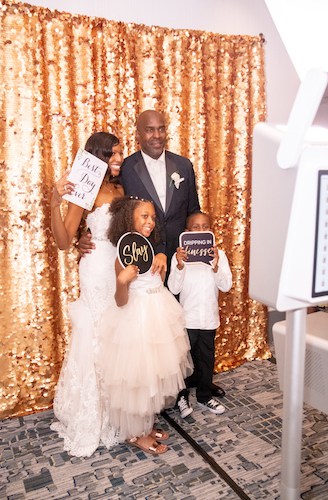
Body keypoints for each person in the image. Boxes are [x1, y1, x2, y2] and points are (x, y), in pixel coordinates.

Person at [77, 110, 225, 397]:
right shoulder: (125, 168)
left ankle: (197, 381)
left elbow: (193, 208)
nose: (156, 135)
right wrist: (82, 238)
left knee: (188, 322)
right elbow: (104, 210)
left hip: (181, 257)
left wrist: (202, 243)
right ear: (139, 134)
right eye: (149, 130)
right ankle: (166, 394)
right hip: (144, 261)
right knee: (152, 331)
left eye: (161, 129)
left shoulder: (184, 164)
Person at [99, 196, 193, 455]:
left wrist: (161, 257)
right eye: (144, 216)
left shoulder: (150, 248)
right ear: (129, 219)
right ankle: (135, 433)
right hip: (135, 319)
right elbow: (120, 302)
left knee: (154, 376)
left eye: (153, 217)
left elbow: (157, 280)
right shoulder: (123, 255)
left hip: (158, 315)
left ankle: (146, 425)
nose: (150, 222)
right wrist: (121, 281)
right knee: (138, 378)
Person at [50, 132, 124, 457]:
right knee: (96, 337)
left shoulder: (122, 187)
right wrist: (54, 200)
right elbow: (65, 240)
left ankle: (119, 411)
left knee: (117, 337)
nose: (120, 159)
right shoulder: (86, 186)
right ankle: (93, 414)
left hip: (120, 269)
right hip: (95, 271)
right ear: (100, 156)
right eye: (115, 155)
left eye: (121, 153)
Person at [168, 212, 232, 418]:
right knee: (184, 361)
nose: (201, 229)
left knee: (206, 360)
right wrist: (178, 266)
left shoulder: (219, 255)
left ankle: (204, 396)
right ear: (187, 232)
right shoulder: (180, 257)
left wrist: (215, 267)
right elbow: (173, 288)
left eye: (205, 226)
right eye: (196, 227)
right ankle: (182, 397)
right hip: (187, 319)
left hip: (208, 319)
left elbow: (226, 285)